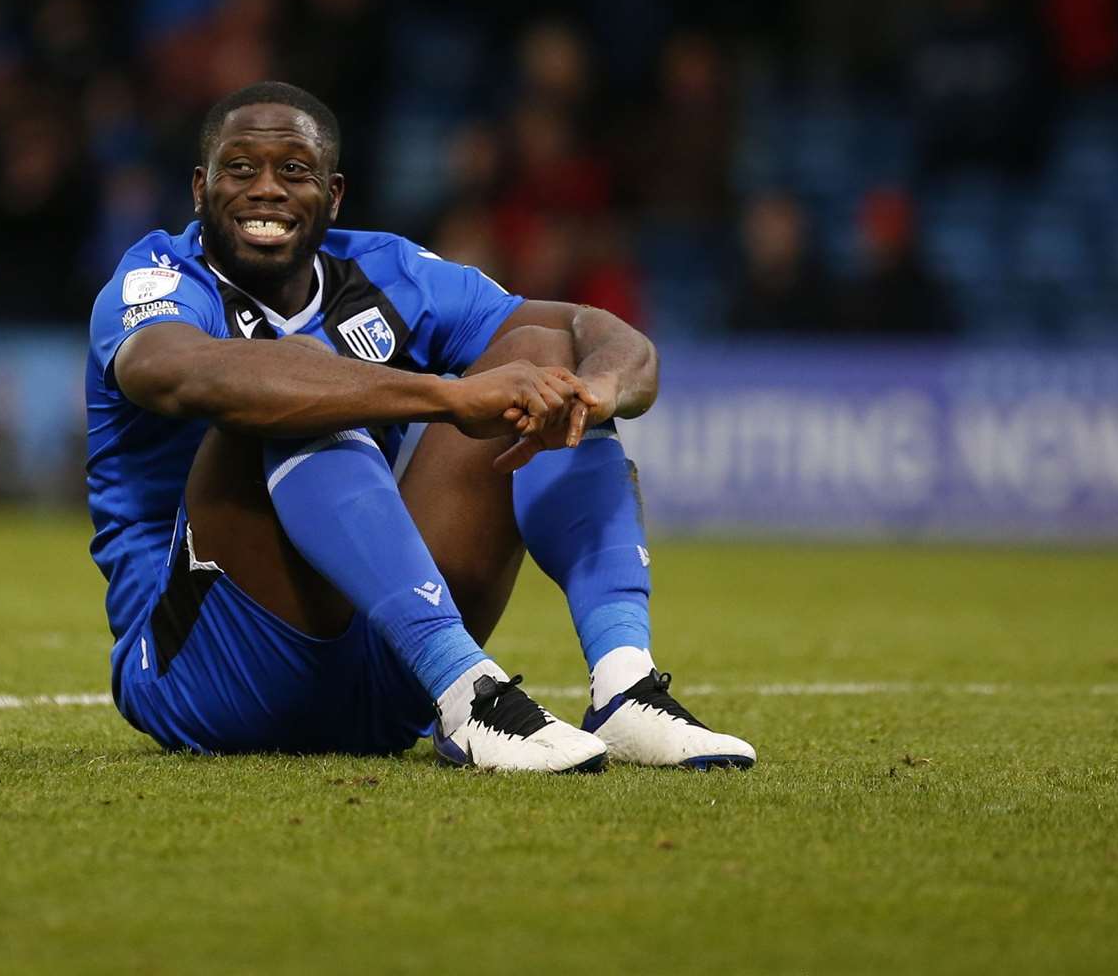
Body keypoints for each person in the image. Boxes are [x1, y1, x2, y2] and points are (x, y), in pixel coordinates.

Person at [85, 81, 754, 772]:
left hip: (382, 674)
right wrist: (445, 396)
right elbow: (171, 372)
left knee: (540, 357)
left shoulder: (386, 270)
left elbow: (596, 331)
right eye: (240, 168)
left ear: (334, 194)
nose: (266, 190)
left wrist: (599, 388)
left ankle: (625, 686)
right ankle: (469, 693)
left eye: (294, 171)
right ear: (200, 187)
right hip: (206, 672)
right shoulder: (157, 276)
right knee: (296, 376)